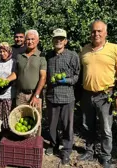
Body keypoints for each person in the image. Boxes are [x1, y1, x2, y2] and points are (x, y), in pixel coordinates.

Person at [78, 20, 117, 168]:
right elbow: (80, 73)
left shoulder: (114, 48)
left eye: (99, 31)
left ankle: (106, 156)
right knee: (87, 125)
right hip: (87, 94)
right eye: (93, 31)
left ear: (106, 33)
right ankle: (89, 151)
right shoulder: (84, 50)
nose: (96, 34)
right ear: (90, 33)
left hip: (105, 95)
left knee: (105, 128)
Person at [44, 28, 80, 166]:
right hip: (52, 96)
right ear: (52, 40)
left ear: (65, 41)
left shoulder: (72, 55)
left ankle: (66, 151)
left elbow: (77, 76)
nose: (58, 40)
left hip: (67, 97)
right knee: (52, 124)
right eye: (56, 38)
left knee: (67, 125)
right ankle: (53, 144)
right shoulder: (48, 56)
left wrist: (67, 81)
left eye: (61, 38)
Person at [7, 29, 47, 136]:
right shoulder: (20, 56)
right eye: (28, 39)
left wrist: (36, 95)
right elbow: (16, 73)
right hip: (20, 94)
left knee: (36, 121)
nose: (30, 41)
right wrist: (6, 79)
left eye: (32, 39)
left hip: (35, 95)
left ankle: (35, 144)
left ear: (37, 40)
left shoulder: (41, 56)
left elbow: (43, 77)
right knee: (20, 121)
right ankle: (23, 144)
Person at [0, 42, 16, 131]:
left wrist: (5, 81)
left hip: (8, 94)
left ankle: (6, 137)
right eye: (0, 51)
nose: (2, 53)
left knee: (7, 117)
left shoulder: (13, 62)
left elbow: (15, 75)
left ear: (9, 51)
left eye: (4, 51)